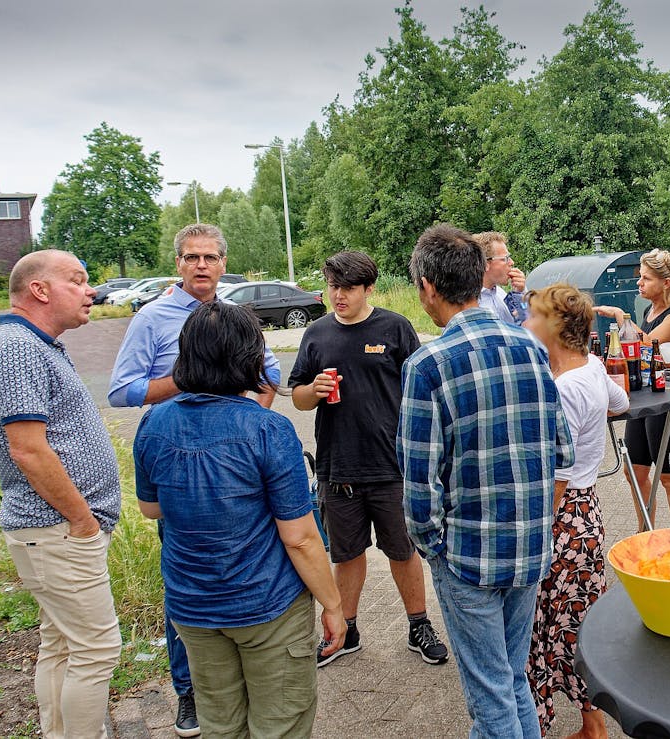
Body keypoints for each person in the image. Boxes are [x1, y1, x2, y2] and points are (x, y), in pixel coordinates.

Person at [133, 301, 345, 738]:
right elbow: (301, 538)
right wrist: (333, 604)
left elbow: (151, 509)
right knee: (280, 723)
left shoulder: (153, 424)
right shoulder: (267, 430)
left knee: (219, 722)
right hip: (266, 603)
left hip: (191, 606)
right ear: (248, 358)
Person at [398, 224, 573, 739]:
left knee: (491, 695)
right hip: (529, 547)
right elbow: (562, 449)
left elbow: (418, 482)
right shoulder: (531, 349)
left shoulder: (427, 365)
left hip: (468, 556)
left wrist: (433, 549)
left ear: (428, 287)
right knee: (512, 679)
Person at [108, 223, 281, 736]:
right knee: (185, 576)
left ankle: (245, 675)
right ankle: (188, 691)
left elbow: (270, 374)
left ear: (224, 263)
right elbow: (121, 392)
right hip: (180, 464)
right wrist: (187, 379)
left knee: (247, 564)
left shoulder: (237, 317)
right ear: (178, 264)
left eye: (209, 257)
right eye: (191, 257)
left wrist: (253, 422)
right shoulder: (151, 318)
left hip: (237, 467)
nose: (201, 265)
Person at [0, 250, 122, 738]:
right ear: (39, 290)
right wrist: (82, 520)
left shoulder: (34, 345)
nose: (90, 291)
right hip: (58, 530)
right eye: (77, 281)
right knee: (97, 650)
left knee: (61, 645)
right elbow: (28, 450)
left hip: (54, 531)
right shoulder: (17, 349)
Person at [289, 250, 448, 667]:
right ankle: (347, 629)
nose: (339, 295)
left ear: (369, 288)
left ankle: (418, 625)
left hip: (392, 465)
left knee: (403, 551)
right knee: (346, 555)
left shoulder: (394, 328)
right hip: (338, 466)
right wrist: (313, 391)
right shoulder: (316, 334)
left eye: (348, 288)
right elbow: (298, 397)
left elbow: (421, 389)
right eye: (333, 286)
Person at [524, 284, 628, 738]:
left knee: (548, 625)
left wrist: (537, 532)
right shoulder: (591, 367)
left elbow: (558, 474)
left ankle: (555, 724)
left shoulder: (565, 387)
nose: (525, 323)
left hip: (563, 515)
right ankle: (591, 724)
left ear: (554, 327)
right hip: (586, 513)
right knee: (573, 622)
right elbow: (622, 403)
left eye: (532, 316)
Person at [595, 249, 670, 530]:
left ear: (666, 283)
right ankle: (645, 532)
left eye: (646, 278)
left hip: (668, 400)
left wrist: (621, 317)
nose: (639, 283)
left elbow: (649, 344)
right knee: (634, 473)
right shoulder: (650, 311)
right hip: (644, 397)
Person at [474, 231, 528, 325]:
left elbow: (526, 323)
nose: (512, 262)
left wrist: (521, 293)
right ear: (485, 264)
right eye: (505, 258)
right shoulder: (471, 304)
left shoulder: (500, 294)